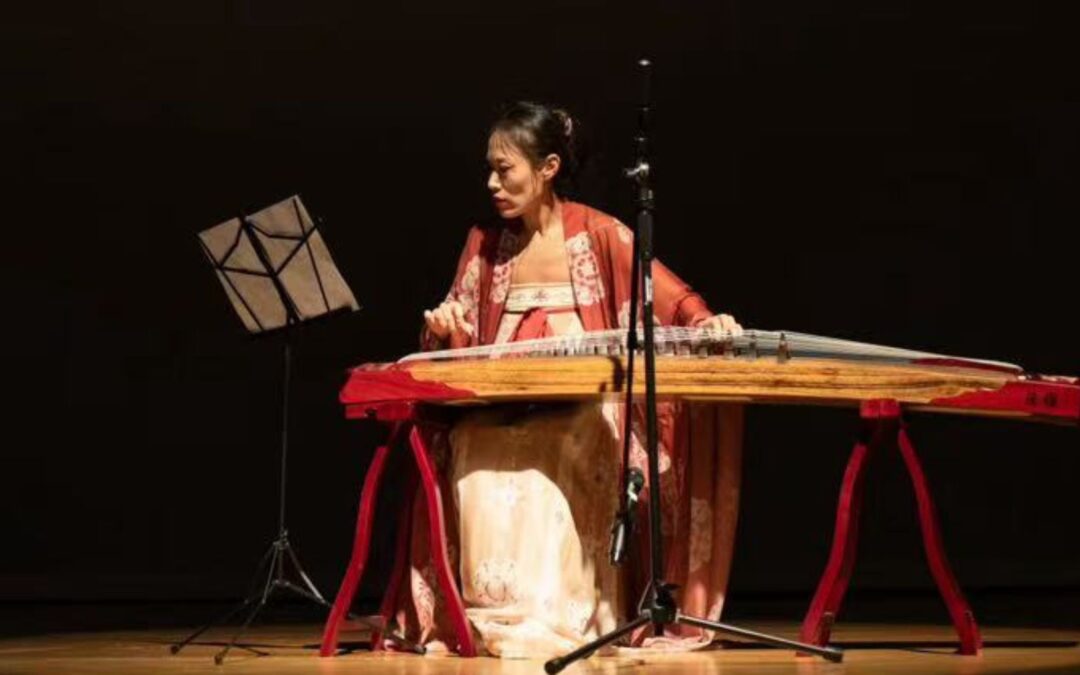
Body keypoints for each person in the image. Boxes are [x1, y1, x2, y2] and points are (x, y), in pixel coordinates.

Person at [396, 101, 744, 658]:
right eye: (489, 168)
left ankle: (558, 615)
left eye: (505, 169)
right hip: (501, 408)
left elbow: (667, 297)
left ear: (548, 167)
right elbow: (457, 326)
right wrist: (444, 326)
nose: (492, 182)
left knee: (563, 442)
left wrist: (706, 322)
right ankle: (490, 616)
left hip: (582, 407)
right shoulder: (485, 244)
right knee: (470, 445)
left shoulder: (601, 234)